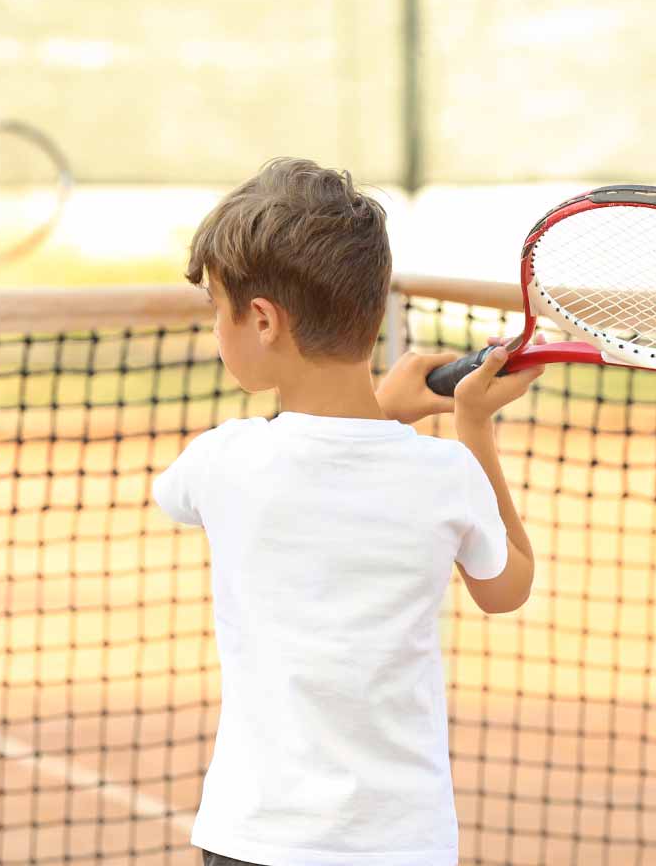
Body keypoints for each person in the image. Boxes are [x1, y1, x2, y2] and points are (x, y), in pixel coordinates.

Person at [153, 158, 541, 866]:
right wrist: (472, 428)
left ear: (263, 319)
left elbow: (174, 492)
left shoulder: (222, 463)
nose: (217, 325)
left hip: (251, 840)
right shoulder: (444, 474)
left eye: (218, 307)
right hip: (401, 845)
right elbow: (507, 586)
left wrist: (383, 412)